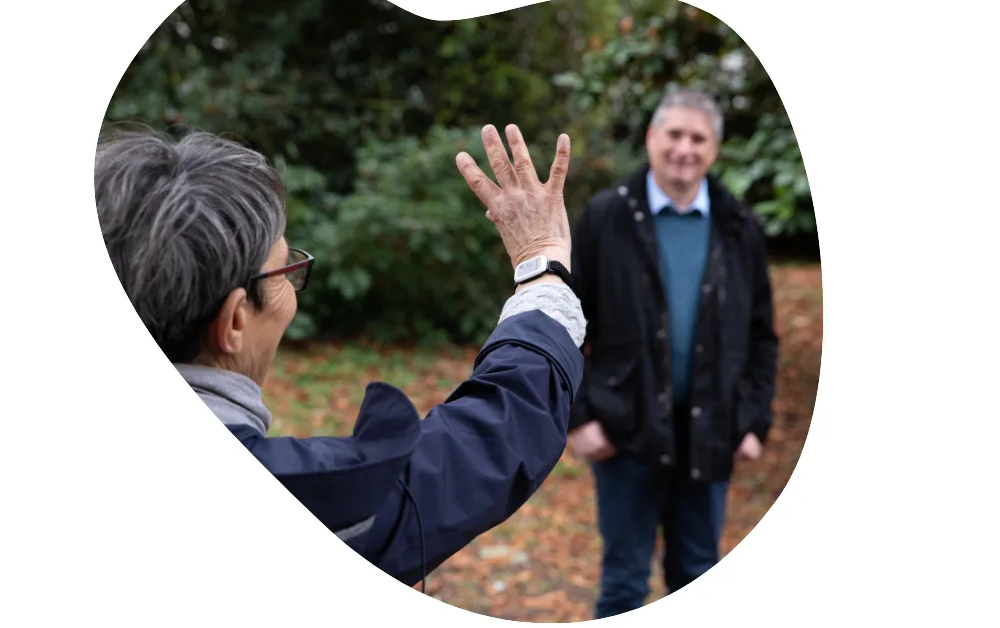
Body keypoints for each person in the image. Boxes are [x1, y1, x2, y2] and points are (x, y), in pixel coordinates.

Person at [94, 122, 586, 591]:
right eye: (286, 270)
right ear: (235, 321)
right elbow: (483, 445)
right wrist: (540, 266)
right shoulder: (309, 500)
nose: (293, 286)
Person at [567, 88, 779, 616]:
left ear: (714, 150)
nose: (684, 148)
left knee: (698, 579)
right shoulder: (605, 215)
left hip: (710, 435)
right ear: (651, 139)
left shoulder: (738, 224)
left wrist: (753, 420)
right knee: (623, 586)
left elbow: (761, 335)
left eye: (698, 138)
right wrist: (578, 418)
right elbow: (564, 322)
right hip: (624, 432)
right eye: (674, 135)